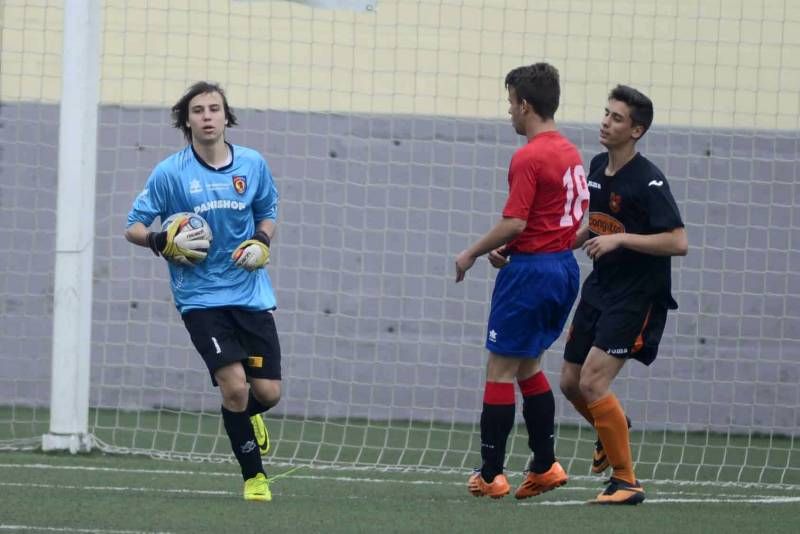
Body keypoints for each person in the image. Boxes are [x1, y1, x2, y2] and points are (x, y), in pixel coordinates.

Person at [125, 81, 281, 502]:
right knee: (233, 386)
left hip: (250, 294)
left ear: (226, 117)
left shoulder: (252, 165)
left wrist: (262, 243)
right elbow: (133, 226)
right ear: (186, 120)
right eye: (198, 110)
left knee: (267, 393)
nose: (207, 116)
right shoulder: (170, 172)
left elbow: (267, 212)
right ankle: (255, 478)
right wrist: (159, 241)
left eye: (215, 109)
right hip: (200, 300)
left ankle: (249, 416)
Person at [455, 63, 589, 500]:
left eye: (511, 102)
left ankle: (491, 473)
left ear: (525, 104)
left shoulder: (529, 155)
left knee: (499, 368)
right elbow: (548, 220)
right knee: (529, 364)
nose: (509, 111)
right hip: (562, 268)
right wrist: (513, 249)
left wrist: (471, 252)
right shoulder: (569, 151)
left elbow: (514, 221)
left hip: (531, 274)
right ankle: (545, 464)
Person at [559, 85, 688, 505]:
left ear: (636, 130)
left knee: (594, 380)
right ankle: (612, 428)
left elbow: (677, 242)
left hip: (637, 293)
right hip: (600, 287)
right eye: (606, 113)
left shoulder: (648, 180)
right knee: (570, 382)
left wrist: (622, 241)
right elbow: (592, 226)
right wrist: (553, 245)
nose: (606, 122)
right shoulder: (597, 166)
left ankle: (626, 481)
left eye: (616, 118)